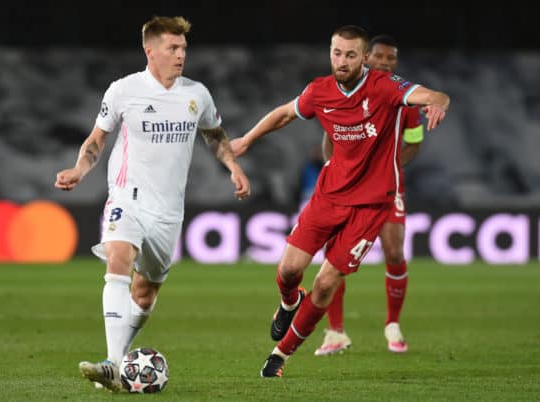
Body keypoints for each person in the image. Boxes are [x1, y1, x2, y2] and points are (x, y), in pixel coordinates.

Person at [231, 25, 449, 377]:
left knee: (327, 281)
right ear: (329, 52)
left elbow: (432, 95)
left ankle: (280, 355)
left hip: (371, 204)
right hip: (328, 195)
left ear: (364, 58)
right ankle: (289, 301)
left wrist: (438, 102)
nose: (342, 61)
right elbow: (285, 113)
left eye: (350, 55)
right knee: (288, 271)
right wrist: (247, 139)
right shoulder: (320, 91)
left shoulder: (384, 87)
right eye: (337, 53)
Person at [55, 16, 250, 392]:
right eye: (172, 49)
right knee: (118, 258)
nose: (181, 56)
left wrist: (233, 166)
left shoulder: (197, 94)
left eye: (183, 49)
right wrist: (80, 168)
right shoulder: (124, 90)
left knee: (144, 294)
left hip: (168, 212)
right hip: (128, 198)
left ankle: (118, 361)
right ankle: (113, 364)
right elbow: (97, 139)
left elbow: (214, 134)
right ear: (150, 51)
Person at [314, 34, 424, 356]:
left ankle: (392, 324)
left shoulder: (406, 101)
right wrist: (333, 168)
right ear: (365, 58)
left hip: (387, 186)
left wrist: (384, 167)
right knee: (335, 253)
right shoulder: (347, 92)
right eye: (380, 57)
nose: (387, 63)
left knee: (393, 250)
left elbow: (414, 143)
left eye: (392, 59)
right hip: (347, 186)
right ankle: (335, 332)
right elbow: (329, 138)